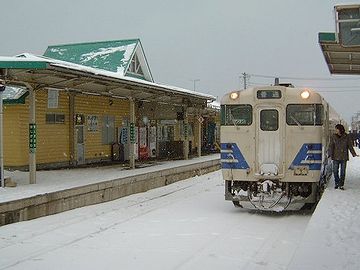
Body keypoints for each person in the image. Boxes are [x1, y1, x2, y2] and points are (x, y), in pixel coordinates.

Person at [329, 124, 358, 190]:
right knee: (335, 171)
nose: (335, 130)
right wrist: (330, 155)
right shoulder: (333, 136)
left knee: (343, 172)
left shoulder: (346, 136)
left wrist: (354, 154)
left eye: (336, 129)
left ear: (340, 129)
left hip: (343, 157)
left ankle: (341, 185)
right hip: (335, 157)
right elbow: (331, 146)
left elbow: (350, 146)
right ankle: (337, 182)